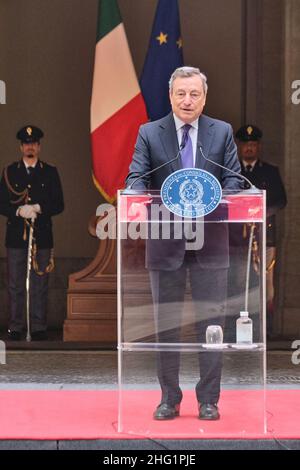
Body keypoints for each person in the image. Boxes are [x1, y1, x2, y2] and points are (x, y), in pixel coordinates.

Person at [126, 66, 243, 420]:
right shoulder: (150, 132)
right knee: (167, 325)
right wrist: (132, 195)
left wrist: (214, 198)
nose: (187, 100)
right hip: (165, 241)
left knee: (211, 325)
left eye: (194, 94)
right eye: (181, 93)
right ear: (171, 96)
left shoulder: (221, 133)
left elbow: (236, 184)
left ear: (204, 98)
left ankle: (209, 399)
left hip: (211, 242)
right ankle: (169, 399)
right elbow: (136, 177)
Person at [0, 125, 64, 341]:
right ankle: (16, 326)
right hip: (17, 235)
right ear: (21, 147)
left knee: (40, 283)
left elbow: (59, 204)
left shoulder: (50, 171)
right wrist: (18, 210)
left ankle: (38, 326)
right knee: (16, 283)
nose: (30, 147)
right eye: (26, 144)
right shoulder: (10, 171)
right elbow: (1, 203)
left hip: (42, 235)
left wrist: (39, 208)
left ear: (39, 146)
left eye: (33, 144)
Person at [234, 124, 287, 331]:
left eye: (253, 145)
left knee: (266, 285)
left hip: (265, 235)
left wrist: (262, 213)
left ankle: (264, 329)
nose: (249, 148)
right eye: (245, 145)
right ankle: (237, 328)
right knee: (240, 283)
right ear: (239, 147)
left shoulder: (270, 172)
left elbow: (281, 200)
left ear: (259, 147)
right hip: (238, 238)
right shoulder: (232, 172)